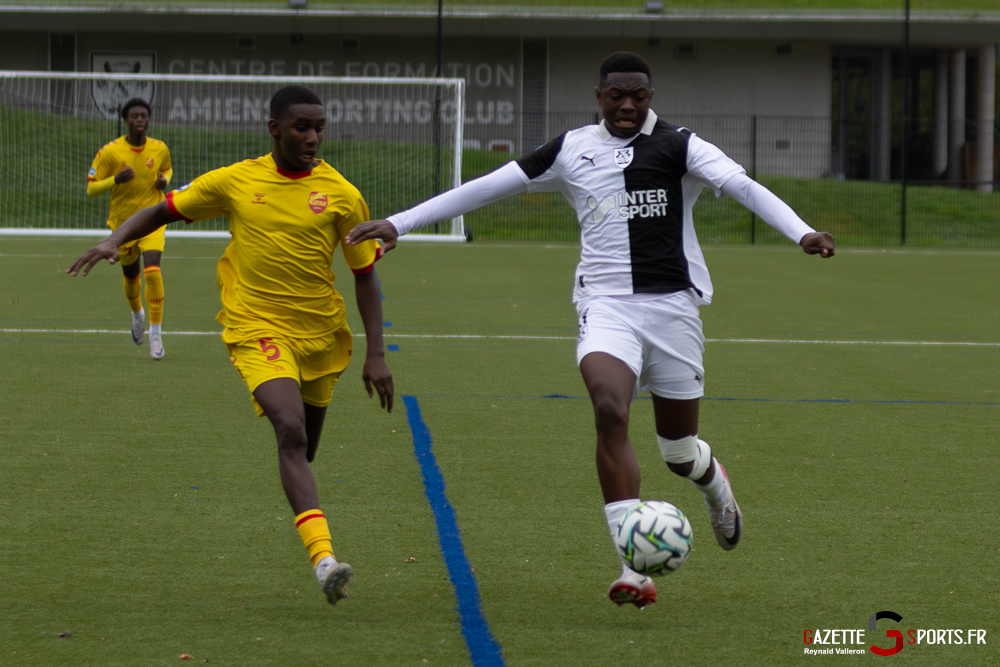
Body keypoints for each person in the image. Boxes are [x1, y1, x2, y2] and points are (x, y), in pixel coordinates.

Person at [347, 52, 835, 609]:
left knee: (678, 452)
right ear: (599, 95)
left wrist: (801, 231)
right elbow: (488, 186)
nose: (628, 105)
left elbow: (744, 186)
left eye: (639, 96)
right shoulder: (570, 148)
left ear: (650, 98)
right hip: (606, 307)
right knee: (609, 407)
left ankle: (715, 487)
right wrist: (400, 223)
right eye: (616, 95)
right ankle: (635, 566)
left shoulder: (680, 145)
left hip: (674, 311)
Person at [69, 85, 394, 606]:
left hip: (320, 335)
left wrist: (376, 352)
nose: (312, 138)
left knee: (304, 447)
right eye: (301, 127)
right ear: (274, 129)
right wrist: (114, 240)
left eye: (318, 128)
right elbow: (163, 209)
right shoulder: (237, 180)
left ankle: (302, 500)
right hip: (255, 326)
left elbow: (364, 276)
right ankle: (325, 560)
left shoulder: (342, 194)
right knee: (288, 429)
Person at [87, 98, 172, 359]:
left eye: (143, 115)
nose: (139, 120)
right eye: (134, 116)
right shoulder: (110, 152)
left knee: (153, 271)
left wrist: (163, 182)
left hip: (153, 220)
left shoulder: (159, 149)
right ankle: (137, 314)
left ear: (148, 119)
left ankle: (156, 333)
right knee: (132, 278)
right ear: (125, 120)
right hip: (123, 226)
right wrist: (115, 180)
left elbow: (167, 170)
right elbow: (91, 187)